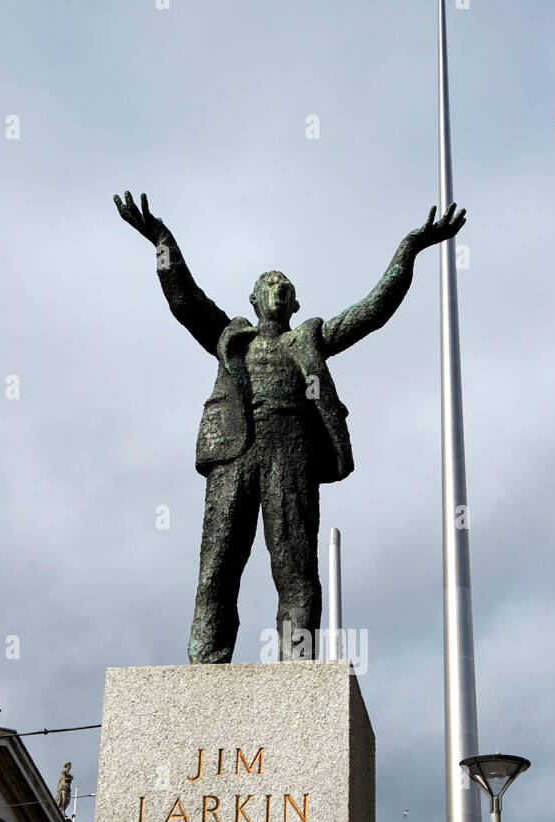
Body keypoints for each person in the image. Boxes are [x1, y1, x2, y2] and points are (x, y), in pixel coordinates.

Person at [113, 190, 466, 664]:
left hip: (291, 450)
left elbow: (373, 311)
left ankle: (295, 668)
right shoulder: (228, 335)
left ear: (294, 304)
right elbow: (185, 299)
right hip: (233, 450)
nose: (277, 293)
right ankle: (206, 664)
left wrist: (410, 248)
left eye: (285, 289)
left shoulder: (309, 338)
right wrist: (160, 239)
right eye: (270, 287)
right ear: (254, 300)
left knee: (296, 568)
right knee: (217, 566)